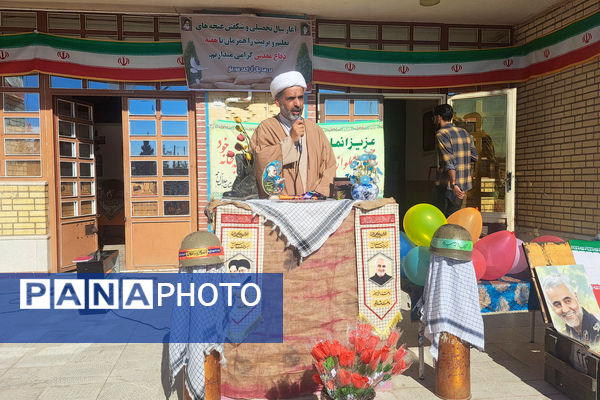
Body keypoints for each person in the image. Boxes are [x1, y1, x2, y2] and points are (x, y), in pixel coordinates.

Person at [250, 71, 336, 198]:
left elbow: (329, 166)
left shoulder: (315, 130)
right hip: (279, 206)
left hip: (314, 205)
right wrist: (290, 141)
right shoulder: (266, 128)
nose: (298, 104)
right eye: (291, 99)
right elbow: (262, 163)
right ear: (278, 102)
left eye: (300, 98)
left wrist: (317, 194)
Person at [433, 104, 478, 217]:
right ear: (452, 116)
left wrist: (454, 184)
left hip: (449, 185)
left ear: (439, 117)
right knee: (455, 218)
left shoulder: (441, 133)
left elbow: (449, 161)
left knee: (442, 219)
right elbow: (474, 157)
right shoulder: (465, 132)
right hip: (463, 185)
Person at [542, 273, 600, 346]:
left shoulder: (596, 329)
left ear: (576, 297)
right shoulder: (568, 329)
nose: (565, 310)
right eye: (557, 304)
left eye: (568, 301)